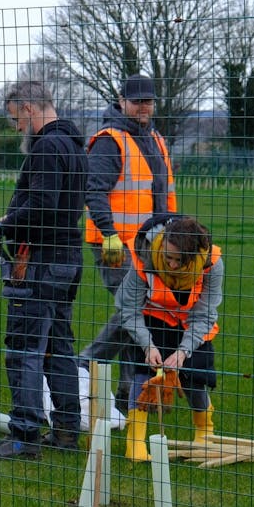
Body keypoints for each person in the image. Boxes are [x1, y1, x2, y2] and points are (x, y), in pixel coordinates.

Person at [0, 80, 87, 459]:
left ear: (28, 108)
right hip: (67, 258)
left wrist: (3, 227)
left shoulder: (47, 146)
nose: (16, 128)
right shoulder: (75, 145)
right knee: (59, 348)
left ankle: (23, 434)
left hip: (40, 261)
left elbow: (41, 204)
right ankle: (67, 432)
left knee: (25, 348)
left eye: (15, 119)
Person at [80, 74, 176, 412]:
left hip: (153, 245)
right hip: (116, 245)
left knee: (141, 313)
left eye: (148, 101)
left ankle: (126, 396)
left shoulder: (155, 139)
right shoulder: (109, 141)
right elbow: (94, 190)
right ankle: (87, 364)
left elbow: (161, 195)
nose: (143, 106)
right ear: (121, 101)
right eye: (137, 101)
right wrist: (108, 234)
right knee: (135, 309)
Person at [116, 214, 222, 461]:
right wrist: (147, 345)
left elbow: (204, 315)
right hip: (153, 320)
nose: (172, 265)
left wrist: (183, 352)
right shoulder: (144, 255)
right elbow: (128, 309)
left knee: (194, 378)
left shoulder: (213, 263)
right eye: (168, 258)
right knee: (143, 375)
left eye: (179, 261)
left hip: (192, 325)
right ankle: (135, 443)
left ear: (196, 257)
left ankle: (204, 432)